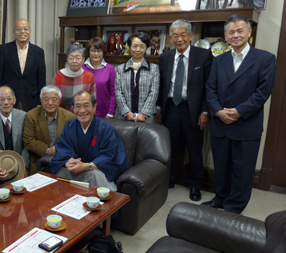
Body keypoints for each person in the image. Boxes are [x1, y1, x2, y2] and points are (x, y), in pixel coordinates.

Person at [202, 14, 276, 214]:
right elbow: (210, 89)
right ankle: (220, 198)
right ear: (225, 36)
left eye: (240, 30)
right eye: (231, 32)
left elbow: (263, 92)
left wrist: (239, 112)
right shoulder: (219, 60)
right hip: (221, 123)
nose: (236, 35)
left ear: (249, 32)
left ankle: (235, 206)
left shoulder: (265, 58)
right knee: (221, 166)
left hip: (246, 125)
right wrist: (217, 111)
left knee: (242, 170)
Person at [155, 19, 214, 202]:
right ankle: (169, 180)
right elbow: (161, 85)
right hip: (171, 107)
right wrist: (158, 107)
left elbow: (209, 86)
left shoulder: (204, 55)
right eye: (175, 36)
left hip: (193, 108)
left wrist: (205, 111)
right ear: (171, 38)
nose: (179, 39)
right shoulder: (165, 57)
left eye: (183, 35)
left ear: (190, 36)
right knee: (169, 147)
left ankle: (195, 185)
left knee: (194, 148)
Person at [51, 91, 129, 190]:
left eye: (86, 105)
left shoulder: (105, 128)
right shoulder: (69, 126)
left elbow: (109, 155)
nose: (82, 110)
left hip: (98, 171)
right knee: (60, 173)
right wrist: (68, 161)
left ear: (94, 106)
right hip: (75, 171)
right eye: (78, 106)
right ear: (73, 108)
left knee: (95, 175)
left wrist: (86, 166)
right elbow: (63, 148)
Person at [0, 18, 46, 111]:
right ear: (14, 32)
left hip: (31, 99)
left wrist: (40, 101)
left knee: (29, 124)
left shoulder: (38, 52)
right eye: (19, 29)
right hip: (8, 99)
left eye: (25, 29)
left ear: (30, 31)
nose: (22, 32)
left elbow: (41, 79)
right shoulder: (4, 50)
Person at [23, 85, 75, 175]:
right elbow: (28, 140)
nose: (50, 103)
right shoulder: (31, 115)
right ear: (41, 100)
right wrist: (47, 150)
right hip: (38, 161)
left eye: (54, 99)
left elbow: (72, 141)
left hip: (63, 161)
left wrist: (58, 149)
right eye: (46, 99)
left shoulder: (69, 117)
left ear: (59, 100)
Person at [0, 86, 30, 176]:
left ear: (14, 100)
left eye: (9, 99)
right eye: (2, 99)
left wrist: (24, 166)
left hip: (19, 163)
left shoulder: (24, 116)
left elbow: (27, 145)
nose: (6, 103)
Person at [115, 32, 160, 123]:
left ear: (146, 47)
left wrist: (143, 113)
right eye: (135, 46)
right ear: (130, 47)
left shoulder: (154, 69)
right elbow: (118, 92)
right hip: (124, 116)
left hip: (147, 117)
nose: (138, 49)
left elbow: (154, 93)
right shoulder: (120, 69)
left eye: (142, 46)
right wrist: (127, 112)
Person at [52, 44, 96, 111]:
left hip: (83, 114)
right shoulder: (59, 75)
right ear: (67, 59)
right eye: (71, 58)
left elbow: (93, 100)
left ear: (83, 59)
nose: (74, 61)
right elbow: (53, 98)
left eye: (78, 58)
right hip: (62, 115)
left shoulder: (89, 76)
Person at [82, 37, 117, 118]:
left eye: (99, 51)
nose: (96, 54)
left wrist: (110, 113)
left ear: (103, 52)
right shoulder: (82, 68)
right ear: (88, 52)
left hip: (104, 113)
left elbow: (113, 94)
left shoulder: (110, 69)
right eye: (93, 50)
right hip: (84, 112)